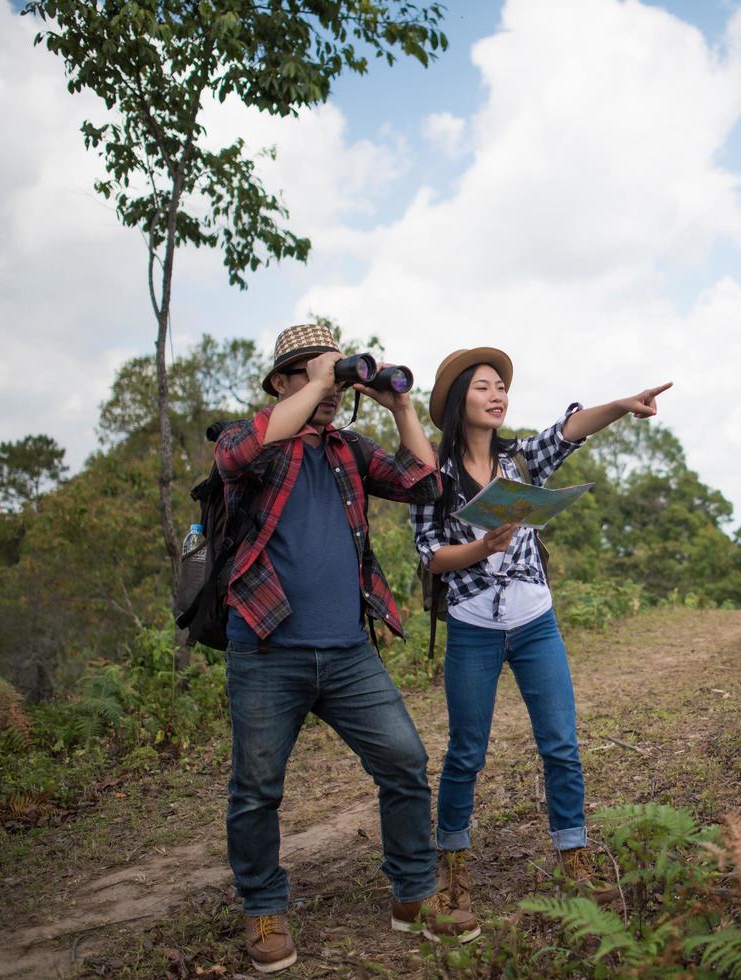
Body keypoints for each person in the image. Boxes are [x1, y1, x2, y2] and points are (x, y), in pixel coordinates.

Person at [215, 324, 478, 975]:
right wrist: (328, 376)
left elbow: (425, 485)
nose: (329, 386)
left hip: (347, 651)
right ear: (282, 383)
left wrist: (400, 406)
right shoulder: (253, 443)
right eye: (310, 371)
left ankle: (414, 895)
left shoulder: (346, 451)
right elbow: (237, 454)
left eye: (336, 373)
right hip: (267, 647)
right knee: (256, 790)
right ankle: (264, 908)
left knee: (404, 760)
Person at [410, 346, 672, 918]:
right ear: (460, 400)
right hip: (473, 626)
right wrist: (481, 547)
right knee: (465, 754)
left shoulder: (520, 461)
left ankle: (574, 856)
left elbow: (568, 431)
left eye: (501, 386)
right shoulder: (433, 474)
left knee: (561, 742)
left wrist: (621, 407)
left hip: (534, 622)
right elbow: (430, 556)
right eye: (484, 386)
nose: (498, 394)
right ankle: (454, 870)